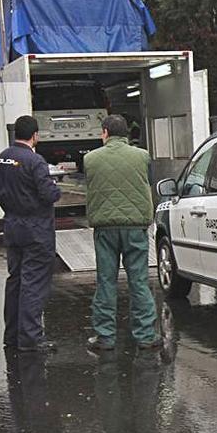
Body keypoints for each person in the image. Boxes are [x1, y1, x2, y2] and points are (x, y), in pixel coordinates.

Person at [84, 115, 160, 352]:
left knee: (106, 281)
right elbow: (147, 183)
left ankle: (105, 337)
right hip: (135, 227)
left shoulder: (90, 159)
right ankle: (146, 335)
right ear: (126, 134)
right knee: (138, 281)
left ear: (105, 132)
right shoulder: (142, 156)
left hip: (105, 228)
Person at [0, 115, 61, 353]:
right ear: (35, 136)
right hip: (36, 230)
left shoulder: (1, 159)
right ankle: (31, 339)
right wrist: (55, 187)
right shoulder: (35, 161)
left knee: (15, 280)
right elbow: (49, 194)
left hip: (12, 225)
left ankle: (12, 335)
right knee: (33, 283)